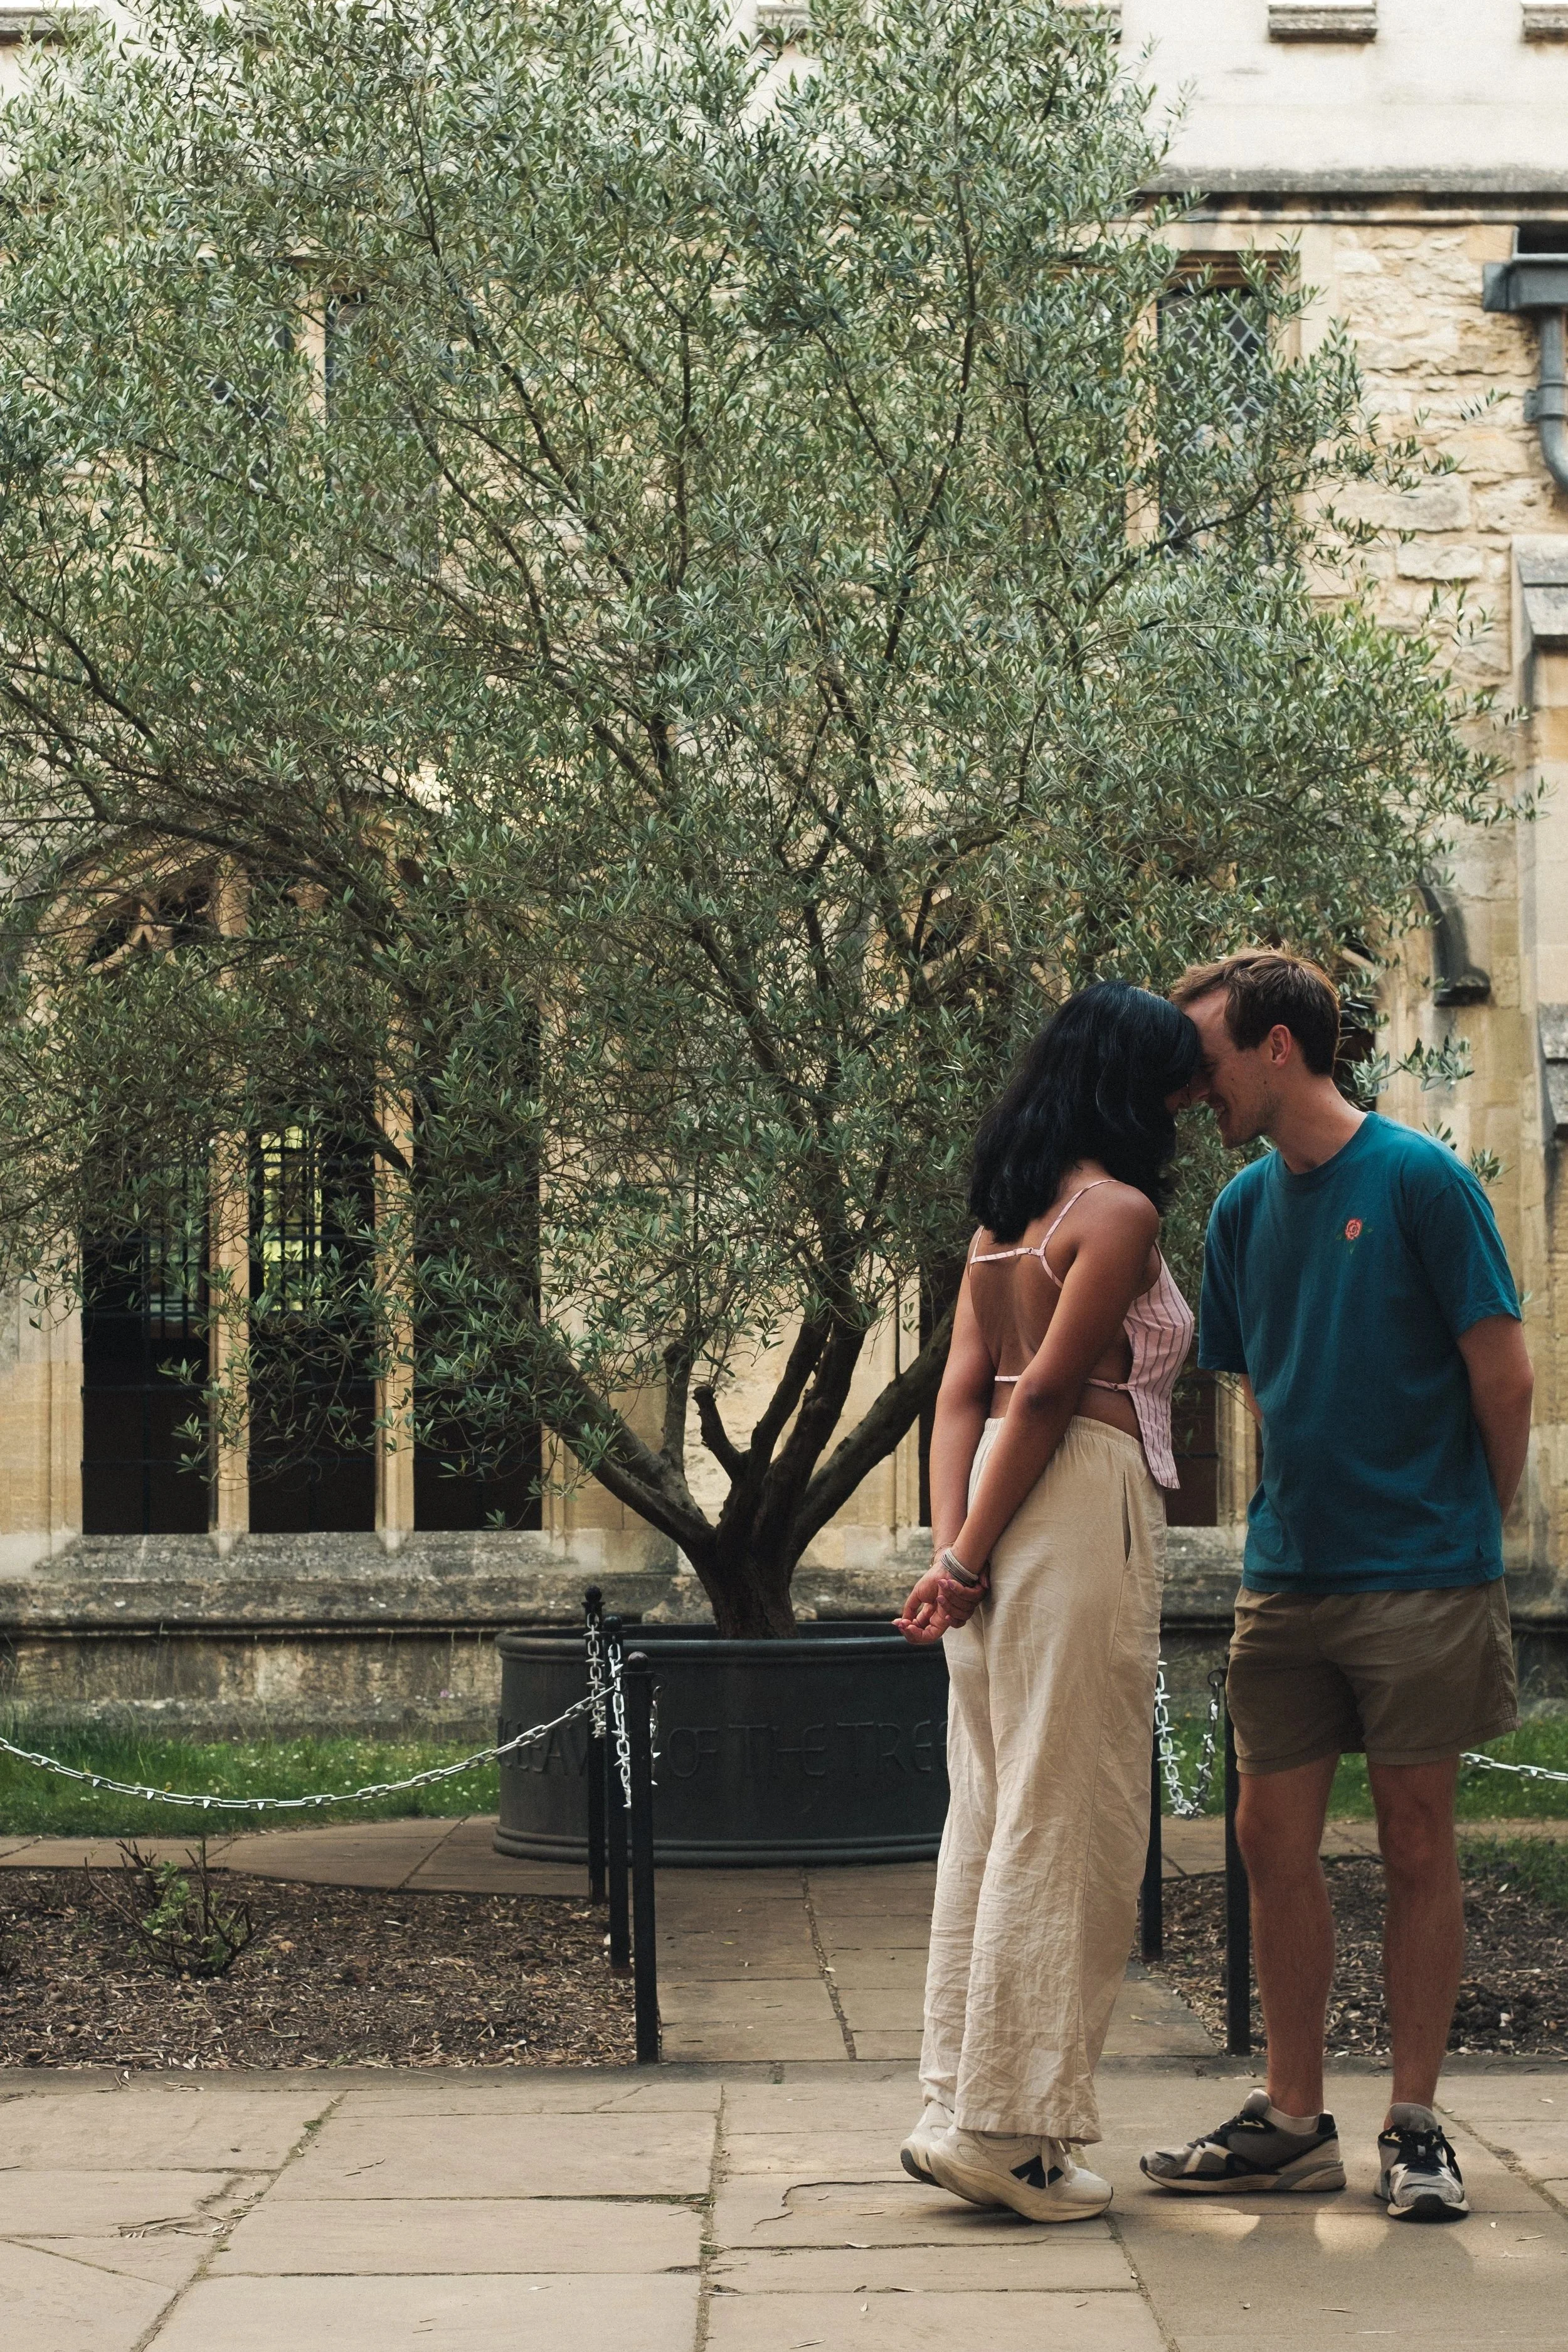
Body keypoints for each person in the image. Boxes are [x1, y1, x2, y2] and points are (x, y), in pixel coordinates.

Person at [1141, 950, 1533, 2224]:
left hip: (1421, 1569)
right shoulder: (1240, 1211)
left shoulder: (1418, 1178)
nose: (1191, 1088)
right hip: (1287, 1574)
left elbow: (1503, 1373)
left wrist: (1472, 1519)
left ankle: (1413, 2122)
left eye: (1203, 1060)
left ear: (1272, 1046)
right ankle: (1291, 2118)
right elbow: (1261, 1385)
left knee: (1418, 1838)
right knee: (1266, 1840)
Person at [895, 980, 1202, 2222]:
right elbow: (1040, 1395)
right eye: (1175, 1078)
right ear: (1131, 1081)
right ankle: (1006, 2129)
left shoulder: (1002, 1224)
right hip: (1071, 1505)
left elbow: (959, 1396)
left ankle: (956, 2102)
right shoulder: (1114, 1211)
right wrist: (963, 1560)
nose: (1188, 1099)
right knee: (1069, 1812)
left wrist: (951, 1543)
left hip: (991, 1513)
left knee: (992, 1802)